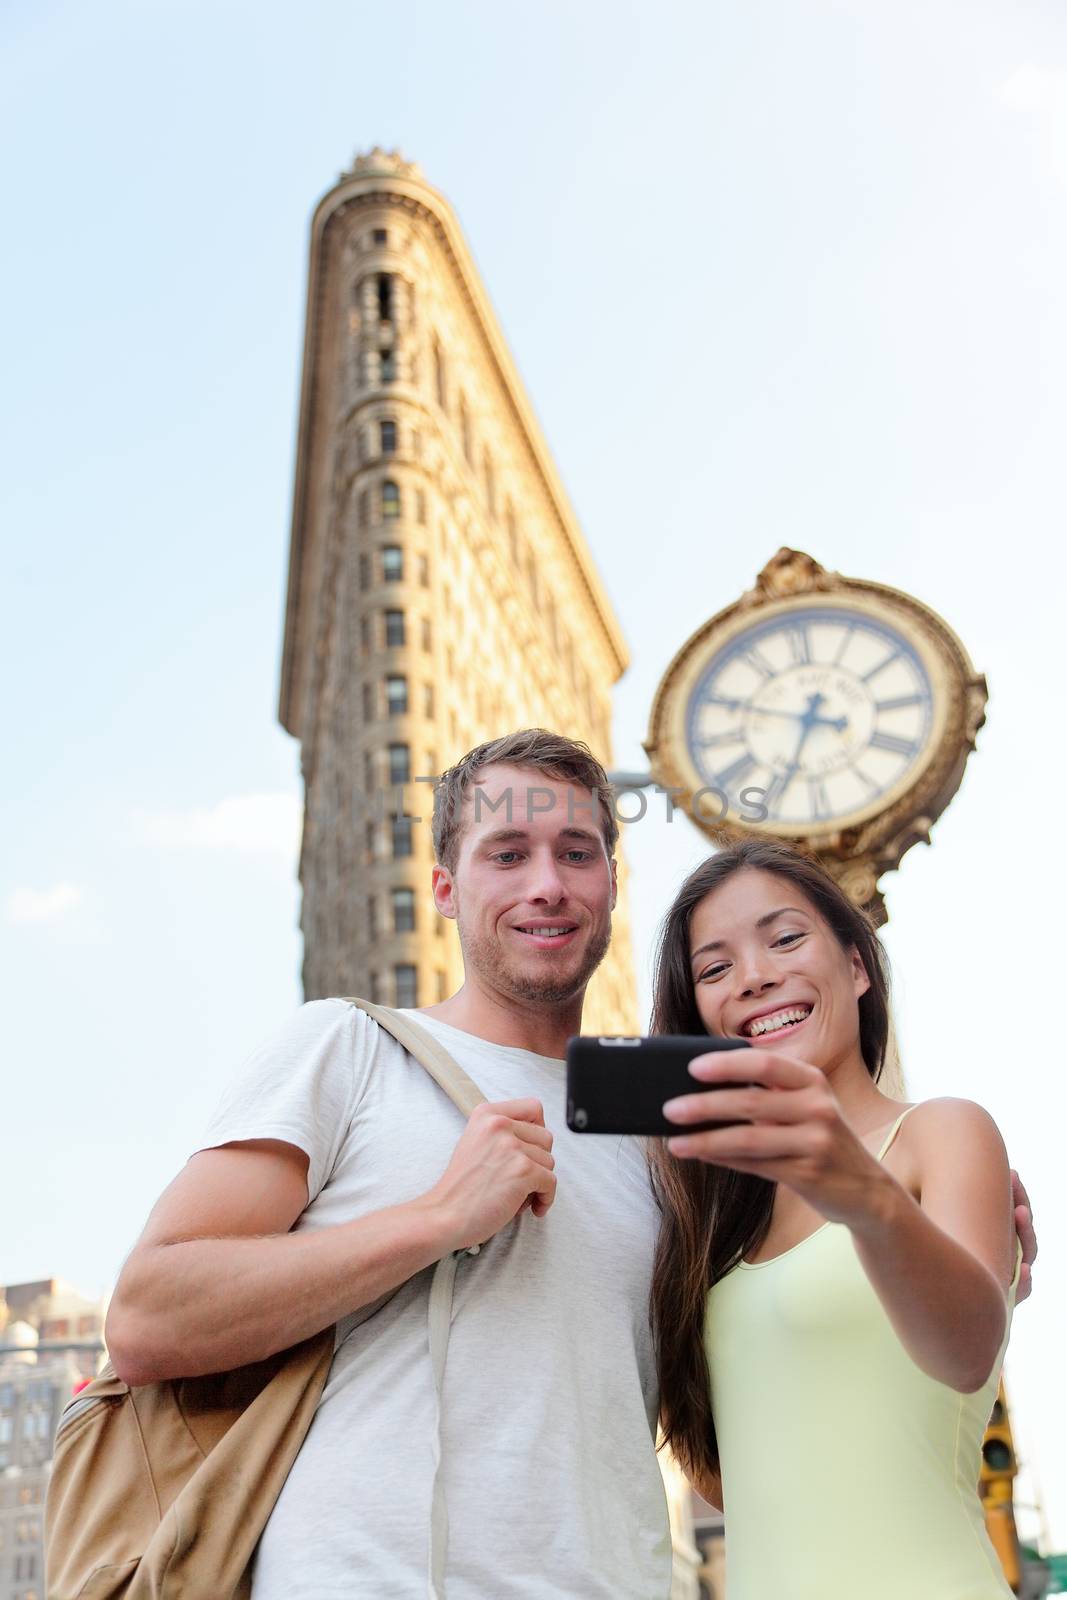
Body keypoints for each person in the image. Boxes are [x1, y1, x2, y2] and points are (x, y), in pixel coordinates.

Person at [104, 730, 1036, 1599]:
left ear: (610, 886)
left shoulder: (678, 1151)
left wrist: (951, 1261)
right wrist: (434, 1220)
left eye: (576, 854)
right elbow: (148, 1316)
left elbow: (727, 1441)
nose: (545, 884)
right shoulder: (349, 1049)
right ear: (443, 889)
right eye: (506, 855)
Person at [653, 837, 1026, 1600]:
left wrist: (865, 1197)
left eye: (785, 939)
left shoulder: (939, 1133)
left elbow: (965, 1351)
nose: (755, 978)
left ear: (856, 966)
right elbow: (732, 1479)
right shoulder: (706, 1223)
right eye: (715, 969)